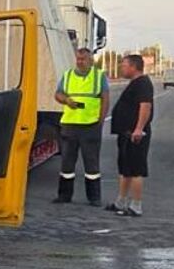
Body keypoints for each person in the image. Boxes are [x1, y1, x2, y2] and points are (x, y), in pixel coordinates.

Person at [52, 46, 108, 205]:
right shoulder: (68, 75)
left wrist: (100, 121)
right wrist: (66, 100)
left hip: (90, 126)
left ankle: (94, 197)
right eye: (78, 59)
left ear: (91, 61)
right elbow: (58, 94)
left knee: (91, 163)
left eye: (83, 59)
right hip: (70, 125)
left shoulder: (99, 76)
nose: (80, 62)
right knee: (67, 162)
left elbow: (105, 98)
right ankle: (64, 196)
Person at [109, 53, 154, 217]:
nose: (122, 67)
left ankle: (136, 206)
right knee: (125, 169)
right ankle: (120, 202)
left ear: (134, 67)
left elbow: (145, 106)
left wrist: (138, 128)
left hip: (136, 135)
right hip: (126, 134)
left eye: (124, 65)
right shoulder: (135, 83)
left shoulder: (142, 83)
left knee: (136, 170)